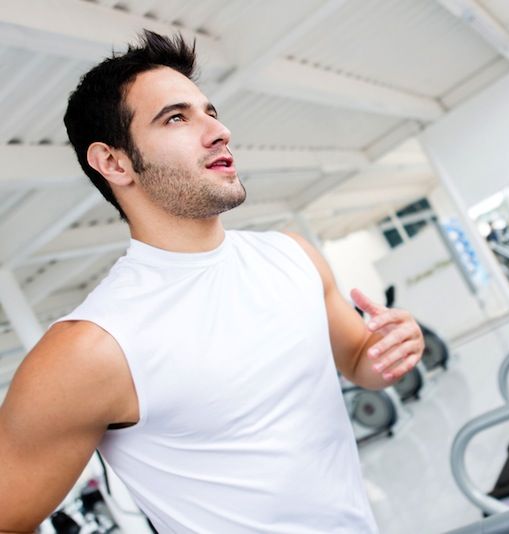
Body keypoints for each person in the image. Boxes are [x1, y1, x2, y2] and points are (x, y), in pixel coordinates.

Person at [0, 31, 424, 533]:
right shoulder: (92, 347)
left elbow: (357, 360)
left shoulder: (292, 256)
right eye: (176, 117)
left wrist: (393, 346)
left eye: (211, 111)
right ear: (114, 162)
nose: (218, 131)